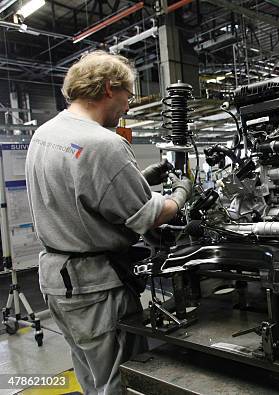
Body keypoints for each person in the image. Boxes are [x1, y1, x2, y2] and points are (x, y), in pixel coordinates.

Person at [25, 51, 193, 395]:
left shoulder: (45, 133)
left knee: (90, 374)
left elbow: (81, 193)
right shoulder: (104, 143)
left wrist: (138, 179)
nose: (128, 107)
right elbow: (150, 216)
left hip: (57, 283)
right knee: (119, 380)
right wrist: (181, 192)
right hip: (96, 289)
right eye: (128, 95)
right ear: (107, 89)